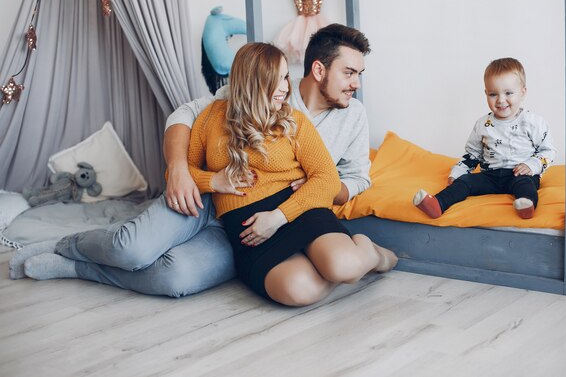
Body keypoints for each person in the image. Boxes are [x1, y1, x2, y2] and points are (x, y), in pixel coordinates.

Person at [9, 24, 376, 298]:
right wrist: (188, 173)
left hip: (277, 215)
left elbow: (350, 177)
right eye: (350, 72)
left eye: (359, 74)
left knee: (175, 279)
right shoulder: (235, 102)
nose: (355, 83)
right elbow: (186, 117)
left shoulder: (335, 117)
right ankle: (68, 246)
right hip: (214, 203)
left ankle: (79, 268)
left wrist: (316, 190)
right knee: (131, 249)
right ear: (317, 70)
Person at [413, 57, 556, 220]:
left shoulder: (532, 122)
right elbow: (472, 154)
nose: (501, 100)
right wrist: (458, 173)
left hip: (520, 174)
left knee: (526, 185)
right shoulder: (483, 124)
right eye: (493, 94)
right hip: (491, 176)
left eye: (508, 93)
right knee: (465, 182)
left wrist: (532, 165)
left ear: (522, 92)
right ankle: (438, 203)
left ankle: (526, 205)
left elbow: (548, 150)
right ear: (486, 93)